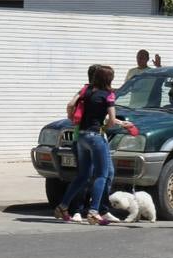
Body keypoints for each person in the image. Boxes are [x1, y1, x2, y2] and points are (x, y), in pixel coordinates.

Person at [53, 64, 128, 225]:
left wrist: (72, 117)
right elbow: (112, 121)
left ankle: (63, 206)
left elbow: (71, 105)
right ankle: (94, 212)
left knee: (83, 175)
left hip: (80, 136)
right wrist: (107, 127)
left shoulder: (86, 92)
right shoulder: (109, 95)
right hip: (96, 136)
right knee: (102, 175)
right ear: (108, 79)